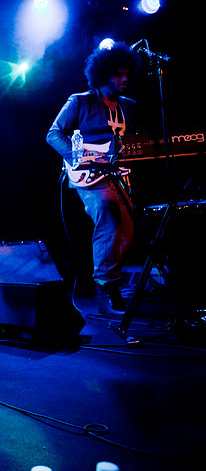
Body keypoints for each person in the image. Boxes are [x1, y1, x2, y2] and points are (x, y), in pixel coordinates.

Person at [46, 42, 141, 315]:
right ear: (103, 74)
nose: (123, 79)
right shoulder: (80, 101)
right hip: (89, 175)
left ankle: (110, 284)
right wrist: (81, 156)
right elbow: (53, 134)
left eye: (126, 74)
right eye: (117, 74)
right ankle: (107, 290)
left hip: (120, 176)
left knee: (128, 227)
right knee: (108, 214)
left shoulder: (130, 107)